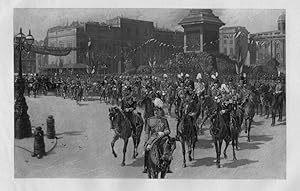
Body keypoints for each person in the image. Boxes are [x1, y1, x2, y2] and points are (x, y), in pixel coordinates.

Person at [143, 104, 171, 173]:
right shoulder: (149, 120)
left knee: (167, 147)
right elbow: (147, 132)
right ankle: (146, 166)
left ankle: (168, 166)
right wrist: (146, 142)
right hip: (153, 138)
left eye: (157, 110)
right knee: (147, 149)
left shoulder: (164, 120)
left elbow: (168, 130)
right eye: (155, 110)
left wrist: (163, 133)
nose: (156, 112)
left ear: (160, 111)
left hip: (162, 138)